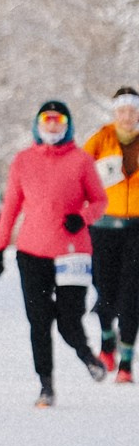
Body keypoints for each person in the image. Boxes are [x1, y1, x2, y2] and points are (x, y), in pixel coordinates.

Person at [0, 98, 108, 407]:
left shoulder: (81, 161)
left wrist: (81, 217)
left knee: (70, 320)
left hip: (72, 251)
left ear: (68, 125)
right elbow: (11, 207)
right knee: (39, 321)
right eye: (47, 121)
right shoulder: (23, 161)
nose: (53, 126)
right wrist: (0, 247)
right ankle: (46, 386)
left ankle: (88, 357)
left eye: (59, 121)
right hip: (32, 252)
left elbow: (100, 201)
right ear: (38, 125)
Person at [81, 86, 139, 382]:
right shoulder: (101, 139)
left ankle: (126, 362)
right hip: (103, 227)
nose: (127, 116)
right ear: (115, 112)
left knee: (133, 294)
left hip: (137, 228)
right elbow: (78, 172)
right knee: (105, 289)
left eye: (132, 110)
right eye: (122, 111)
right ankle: (107, 341)